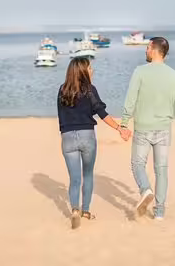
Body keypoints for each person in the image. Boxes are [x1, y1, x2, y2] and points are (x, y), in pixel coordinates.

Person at [57, 57, 131, 229]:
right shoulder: (90, 90)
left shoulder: (62, 90)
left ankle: (74, 210)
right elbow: (101, 112)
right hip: (87, 136)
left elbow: (61, 116)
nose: (92, 70)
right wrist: (120, 128)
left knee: (74, 179)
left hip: (67, 137)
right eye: (90, 68)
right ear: (83, 70)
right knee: (88, 175)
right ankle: (86, 211)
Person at [120, 37, 175, 220]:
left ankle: (145, 190)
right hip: (164, 130)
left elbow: (130, 99)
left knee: (137, 164)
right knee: (162, 169)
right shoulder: (174, 75)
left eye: (147, 47)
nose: (145, 51)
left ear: (154, 49)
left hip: (143, 128)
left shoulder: (140, 72)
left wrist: (124, 123)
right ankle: (159, 212)